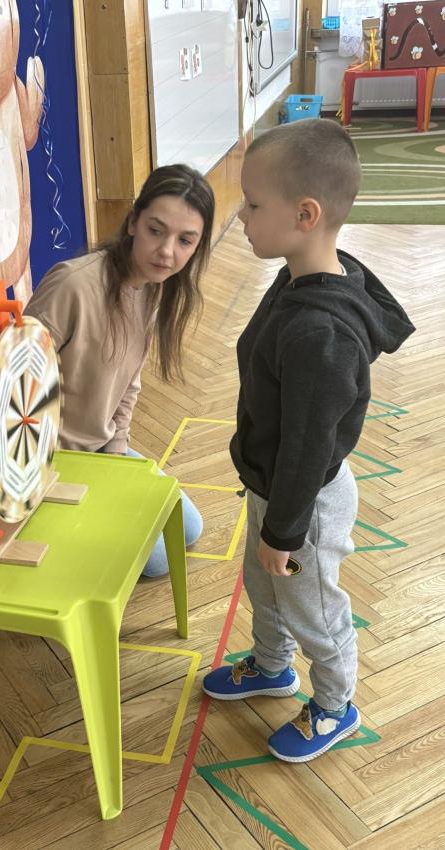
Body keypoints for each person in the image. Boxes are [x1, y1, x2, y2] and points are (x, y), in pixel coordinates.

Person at [202, 119, 414, 762]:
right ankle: (272, 665)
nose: (241, 217)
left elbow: (307, 446)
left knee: (314, 608)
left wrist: (285, 532)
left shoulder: (321, 335)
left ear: (305, 214)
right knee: (264, 587)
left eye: (252, 204)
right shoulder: (302, 274)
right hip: (275, 490)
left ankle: (334, 706)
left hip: (305, 506)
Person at [24, 164, 215, 577]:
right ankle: (61, 536)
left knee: (189, 528)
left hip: (100, 450)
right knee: (158, 562)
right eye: (155, 231)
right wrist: (38, 474)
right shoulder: (73, 285)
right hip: (49, 462)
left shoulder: (151, 288)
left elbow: (129, 384)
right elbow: (14, 387)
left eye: (185, 240)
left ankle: (87, 527)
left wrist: (115, 454)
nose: (167, 252)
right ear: (132, 223)